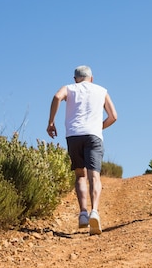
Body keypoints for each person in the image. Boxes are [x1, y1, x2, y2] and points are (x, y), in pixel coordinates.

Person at [47, 65, 117, 235]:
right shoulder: (101, 90)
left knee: (80, 175)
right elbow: (113, 116)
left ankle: (83, 214)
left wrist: (51, 122)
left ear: (75, 79)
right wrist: (98, 127)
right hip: (93, 136)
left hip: (73, 136)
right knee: (94, 175)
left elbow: (57, 97)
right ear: (91, 78)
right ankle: (95, 212)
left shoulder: (69, 88)